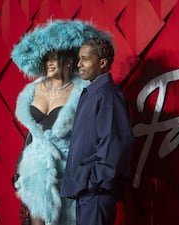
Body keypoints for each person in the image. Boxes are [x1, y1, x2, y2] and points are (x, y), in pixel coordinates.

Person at [11, 20, 111, 225]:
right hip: (35, 172)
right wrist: (21, 165)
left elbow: (93, 135)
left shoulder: (83, 90)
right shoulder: (33, 90)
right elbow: (32, 132)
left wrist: (88, 176)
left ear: (69, 60)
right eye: (46, 57)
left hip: (67, 170)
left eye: (55, 57)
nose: (49, 62)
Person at [60, 37, 134, 225]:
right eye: (79, 59)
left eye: (85, 59)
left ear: (102, 63)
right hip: (87, 191)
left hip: (96, 193)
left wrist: (93, 183)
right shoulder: (92, 93)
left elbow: (113, 145)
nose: (79, 64)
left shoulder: (108, 95)